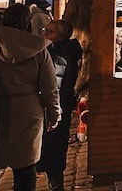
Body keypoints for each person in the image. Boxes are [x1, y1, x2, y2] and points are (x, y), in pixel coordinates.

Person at [0, 3, 60, 191]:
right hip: (27, 113)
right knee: (25, 167)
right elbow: (49, 88)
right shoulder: (38, 50)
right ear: (27, 23)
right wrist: (54, 114)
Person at [38, 20, 82, 191]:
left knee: (52, 151)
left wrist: (51, 111)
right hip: (58, 108)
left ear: (60, 36)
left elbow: (54, 87)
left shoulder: (60, 57)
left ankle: (56, 186)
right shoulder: (62, 52)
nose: (45, 34)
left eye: (49, 32)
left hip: (55, 111)